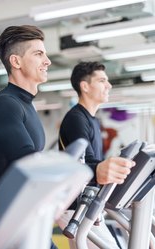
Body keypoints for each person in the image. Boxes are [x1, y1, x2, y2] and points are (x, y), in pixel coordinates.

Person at [0, 25, 57, 249]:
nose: (47, 61)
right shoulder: (5, 106)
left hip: (24, 217)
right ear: (16, 61)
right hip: (5, 224)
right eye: (39, 53)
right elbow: (29, 162)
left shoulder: (23, 105)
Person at [57, 61, 135, 249]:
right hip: (76, 206)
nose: (108, 85)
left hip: (88, 202)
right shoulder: (76, 119)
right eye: (102, 80)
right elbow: (86, 163)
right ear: (85, 86)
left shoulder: (91, 120)